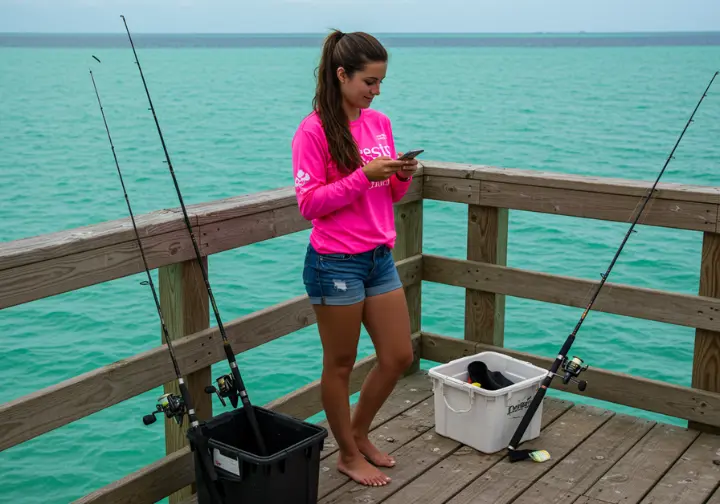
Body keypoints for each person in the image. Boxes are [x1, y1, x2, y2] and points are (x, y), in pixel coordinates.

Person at [291, 29, 419, 487]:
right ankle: (346, 452)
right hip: (334, 262)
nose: (376, 91)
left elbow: (391, 193)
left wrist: (400, 175)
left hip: (378, 256)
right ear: (341, 74)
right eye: (369, 81)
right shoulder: (313, 131)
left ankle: (359, 432)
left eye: (381, 82)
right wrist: (364, 176)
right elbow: (309, 204)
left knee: (398, 355)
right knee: (340, 364)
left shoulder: (378, 123)